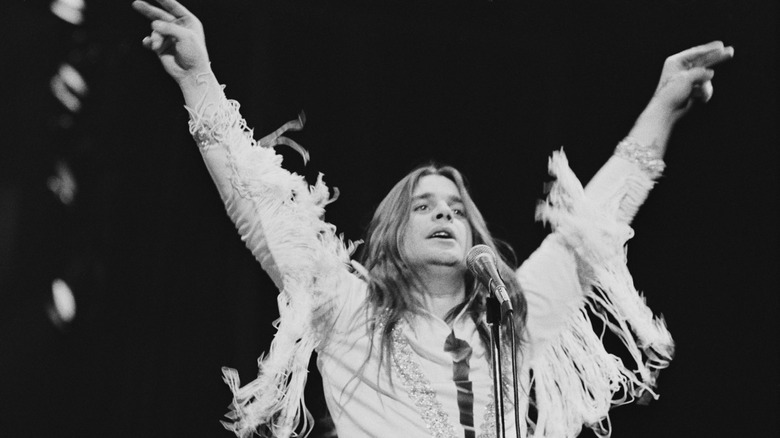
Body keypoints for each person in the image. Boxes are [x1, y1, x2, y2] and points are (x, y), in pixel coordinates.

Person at [132, 1, 733, 437]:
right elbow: (254, 203)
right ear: (392, 236)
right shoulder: (346, 307)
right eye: (423, 206)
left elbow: (595, 224)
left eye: (456, 208)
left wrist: (664, 105)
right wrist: (197, 78)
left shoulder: (510, 316)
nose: (444, 211)